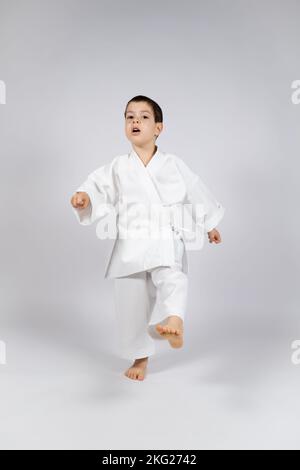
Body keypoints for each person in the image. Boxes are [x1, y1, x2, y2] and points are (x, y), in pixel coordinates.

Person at [70, 95, 225, 381]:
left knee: (171, 274)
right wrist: (85, 197)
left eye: (143, 117)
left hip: (164, 233)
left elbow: (195, 191)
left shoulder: (173, 164)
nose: (135, 121)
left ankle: (174, 319)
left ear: (158, 128)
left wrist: (209, 223)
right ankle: (140, 358)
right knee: (130, 305)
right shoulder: (118, 166)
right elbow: (98, 186)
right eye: (130, 117)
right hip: (131, 241)